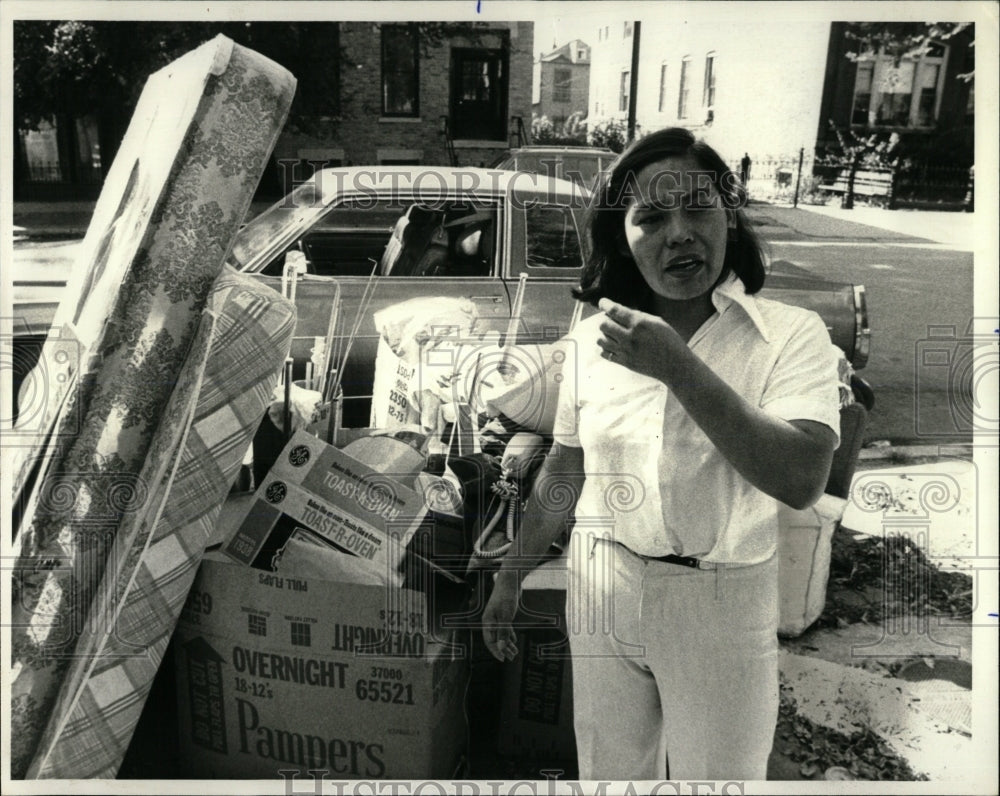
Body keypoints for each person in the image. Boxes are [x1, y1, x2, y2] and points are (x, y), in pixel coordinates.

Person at [481, 127, 841, 781]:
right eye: (651, 216)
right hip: (601, 580)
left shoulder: (789, 336)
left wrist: (678, 368)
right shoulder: (594, 340)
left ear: (729, 217)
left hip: (722, 599)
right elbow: (565, 469)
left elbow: (801, 477)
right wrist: (510, 577)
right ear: (623, 237)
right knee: (610, 774)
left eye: (699, 207)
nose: (680, 232)